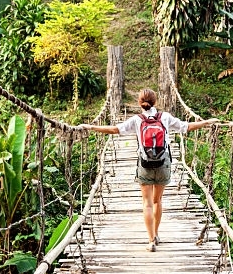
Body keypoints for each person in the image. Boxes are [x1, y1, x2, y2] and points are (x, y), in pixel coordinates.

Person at [80, 88, 217, 251]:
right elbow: (186, 127)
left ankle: (151, 240)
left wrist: (91, 127)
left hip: (144, 164)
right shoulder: (165, 117)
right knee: (157, 200)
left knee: (147, 203)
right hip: (163, 163)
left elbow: (114, 130)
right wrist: (206, 122)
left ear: (139, 103)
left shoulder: (137, 120)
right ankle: (156, 233)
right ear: (155, 102)